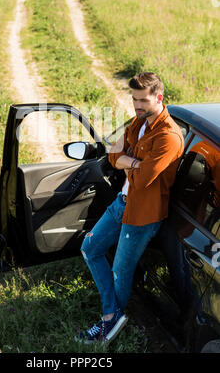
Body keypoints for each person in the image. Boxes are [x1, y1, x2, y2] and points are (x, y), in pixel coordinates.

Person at [75, 72, 184, 344]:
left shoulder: (168, 137)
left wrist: (130, 163)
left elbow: (145, 179)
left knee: (120, 270)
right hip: (122, 203)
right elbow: (113, 155)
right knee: (90, 248)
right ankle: (114, 312)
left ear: (159, 98)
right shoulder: (138, 122)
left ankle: (109, 322)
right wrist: (132, 162)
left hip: (144, 214)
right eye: (134, 99)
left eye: (142, 100)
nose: (136, 105)